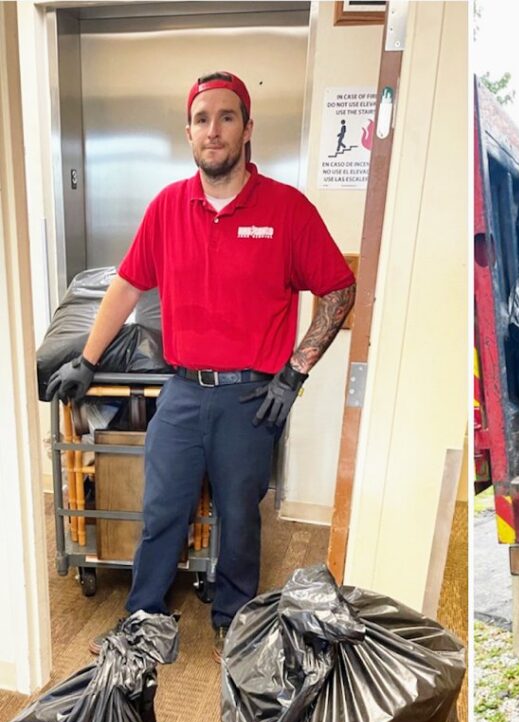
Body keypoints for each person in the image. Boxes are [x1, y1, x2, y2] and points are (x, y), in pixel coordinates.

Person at [45, 71, 356, 662]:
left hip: (250, 398)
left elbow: (339, 291)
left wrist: (295, 372)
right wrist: (86, 360)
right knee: (162, 508)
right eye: (202, 119)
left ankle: (235, 620)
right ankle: (143, 618)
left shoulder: (286, 210)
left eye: (227, 117)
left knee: (241, 516)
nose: (214, 130)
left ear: (247, 130)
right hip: (183, 392)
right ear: (188, 132)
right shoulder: (167, 208)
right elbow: (127, 285)